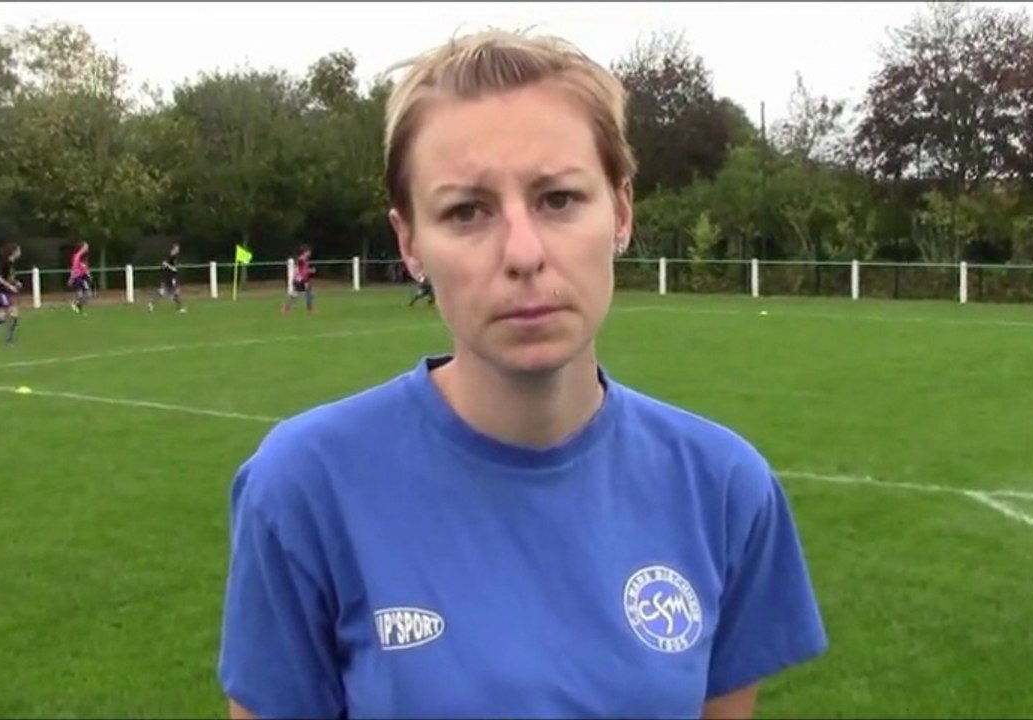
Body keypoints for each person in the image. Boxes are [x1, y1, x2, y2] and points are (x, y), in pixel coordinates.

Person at [218, 29, 826, 720]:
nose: (524, 252)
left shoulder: (722, 487)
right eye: (466, 211)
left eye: (558, 199)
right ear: (410, 241)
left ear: (621, 211)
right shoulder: (302, 487)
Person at [148, 242, 186, 313]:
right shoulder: (171, 257)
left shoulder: (173, 257)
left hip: (169, 277)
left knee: (166, 292)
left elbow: (165, 264)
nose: (178, 250)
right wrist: (172, 269)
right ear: (173, 249)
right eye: (177, 249)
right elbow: (164, 264)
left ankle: (152, 304)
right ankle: (179, 308)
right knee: (173, 292)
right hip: (169, 277)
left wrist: (172, 269)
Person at [282, 245, 315, 314]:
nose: (309, 253)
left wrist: (309, 271)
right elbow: (298, 270)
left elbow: (304, 270)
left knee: (308, 293)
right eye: (308, 251)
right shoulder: (301, 260)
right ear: (304, 252)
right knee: (298, 295)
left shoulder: (304, 260)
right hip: (300, 280)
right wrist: (299, 278)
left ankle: (310, 309)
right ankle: (286, 307)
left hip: (303, 279)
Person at [68, 241, 93, 314]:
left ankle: (78, 306)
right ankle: (75, 304)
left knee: (88, 294)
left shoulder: (84, 256)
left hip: (83, 277)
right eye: (86, 246)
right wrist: (72, 277)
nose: (87, 248)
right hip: (78, 277)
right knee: (81, 294)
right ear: (82, 248)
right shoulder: (77, 256)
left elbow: (85, 267)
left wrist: (88, 274)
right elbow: (74, 268)